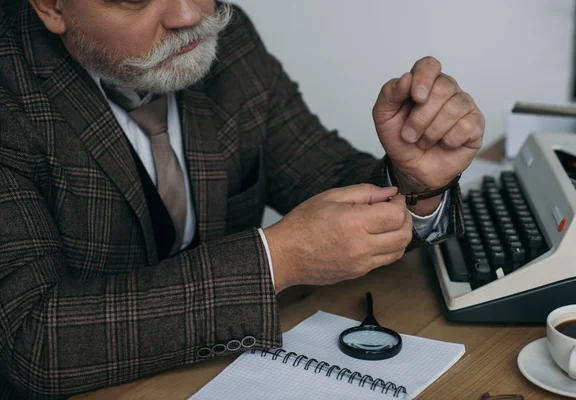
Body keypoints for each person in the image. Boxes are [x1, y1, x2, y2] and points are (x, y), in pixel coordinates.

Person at [0, 0, 484, 397]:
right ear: (51, 7)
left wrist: (416, 180)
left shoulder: (223, 39)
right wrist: (279, 259)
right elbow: (31, 340)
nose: (189, 15)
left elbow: (326, 176)